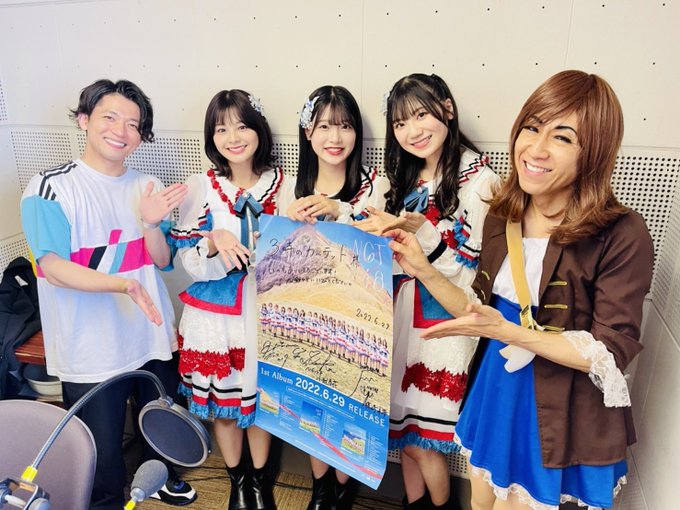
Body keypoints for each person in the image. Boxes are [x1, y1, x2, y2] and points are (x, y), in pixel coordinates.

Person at [386, 70, 654, 510]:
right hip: (495, 382)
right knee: (480, 501)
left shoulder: (621, 233)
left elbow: (608, 351)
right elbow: (477, 310)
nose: (536, 148)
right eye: (531, 127)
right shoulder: (504, 212)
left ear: (595, 150)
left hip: (554, 401)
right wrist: (423, 269)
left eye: (562, 137)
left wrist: (509, 332)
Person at [20, 79, 196, 509]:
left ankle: (160, 478)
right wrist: (123, 284)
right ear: (84, 120)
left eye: (133, 124)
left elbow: (162, 261)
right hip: (90, 346)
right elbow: (53, 268)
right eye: (110, 117)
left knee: (161, 423)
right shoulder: (50, 187)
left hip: (150, 333)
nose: (121, 131)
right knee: (97, 454)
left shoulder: (147, 185)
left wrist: (151, 223)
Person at [355, 73, 499, 510]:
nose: (412, 131)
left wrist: (423, 237)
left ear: (447, 110)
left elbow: (473, 273)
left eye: (421, 115)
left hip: (447, 322)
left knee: (425, 441)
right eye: (401, 123)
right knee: (406, 433)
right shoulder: (406, 177)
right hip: (403, 313)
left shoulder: (480, 182)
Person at [167, 89, 284, 510]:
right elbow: (188, 263)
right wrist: (214, 244)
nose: (232, 137)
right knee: (224, 405)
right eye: (221, 129)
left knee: (260, 402)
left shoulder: (284, 184)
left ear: (258, 130)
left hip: (266, 309)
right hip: (215, 315)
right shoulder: (200, 187)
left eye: (241, 126)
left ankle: (260, 482)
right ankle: (237, 483)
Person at [279, 85, 389, 510]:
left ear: (357, 132)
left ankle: (343, 491)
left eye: (345, 126)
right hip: (307, 315)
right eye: (324, 126)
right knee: (311, 404)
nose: (335, 137)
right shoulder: (291, 188)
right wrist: (288, 222)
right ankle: (320, 490)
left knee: (349, 407)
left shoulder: (375, 186)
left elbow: (383, 246)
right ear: (308, 132)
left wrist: (339, 213)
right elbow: (274, 254)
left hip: (359, 318)